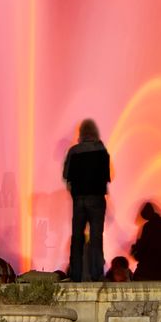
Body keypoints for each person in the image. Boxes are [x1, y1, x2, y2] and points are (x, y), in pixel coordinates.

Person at [62, 119, 112, 283]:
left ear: (81, 134)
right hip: (96, 199)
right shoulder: (101, 149)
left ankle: (75, 275)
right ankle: (96, 273)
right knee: (96, 237)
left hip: (79, 199)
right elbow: (106, 175)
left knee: (77, 237)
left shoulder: (74, 151)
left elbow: (67, 176)